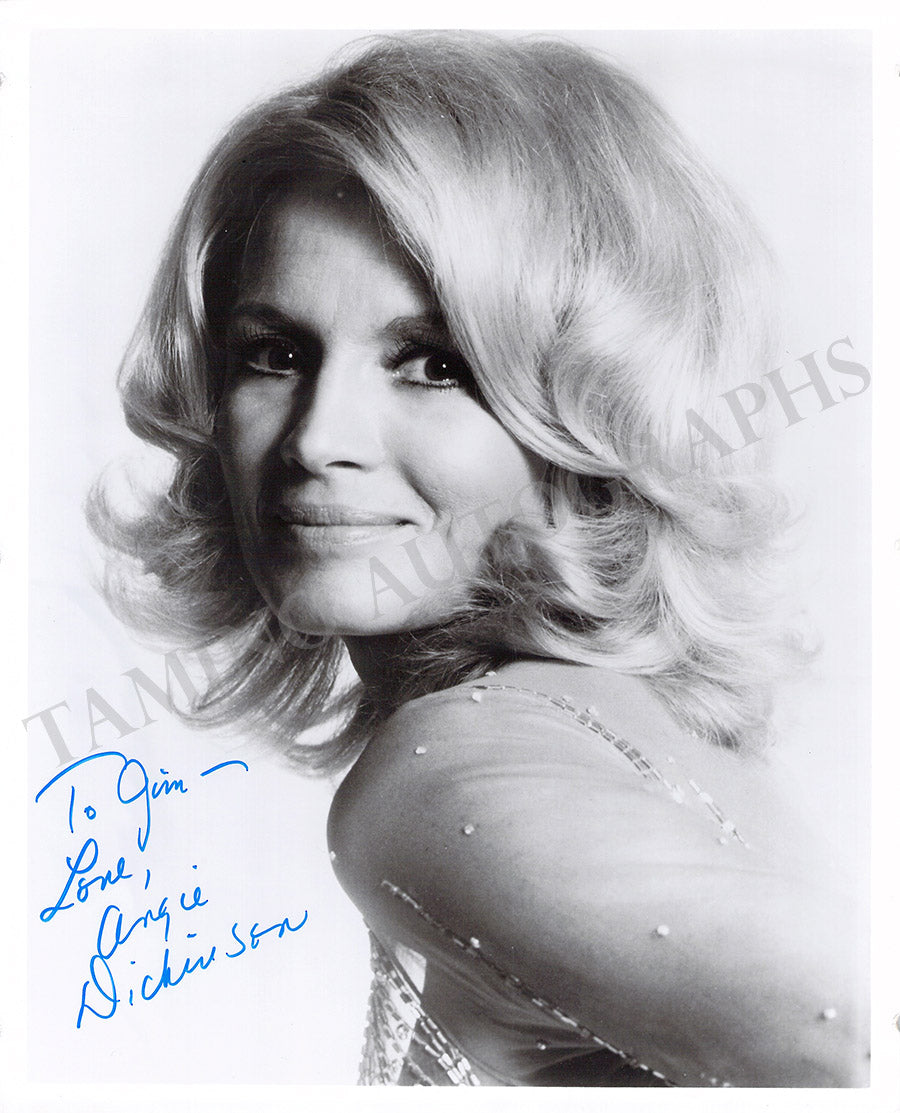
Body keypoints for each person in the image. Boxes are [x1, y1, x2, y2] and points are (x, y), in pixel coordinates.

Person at [89, 31, 867, 1087]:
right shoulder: (604, 714)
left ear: (590, 417)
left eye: (432, 365)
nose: (318, 440)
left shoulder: (442, 774)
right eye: (275, 353)